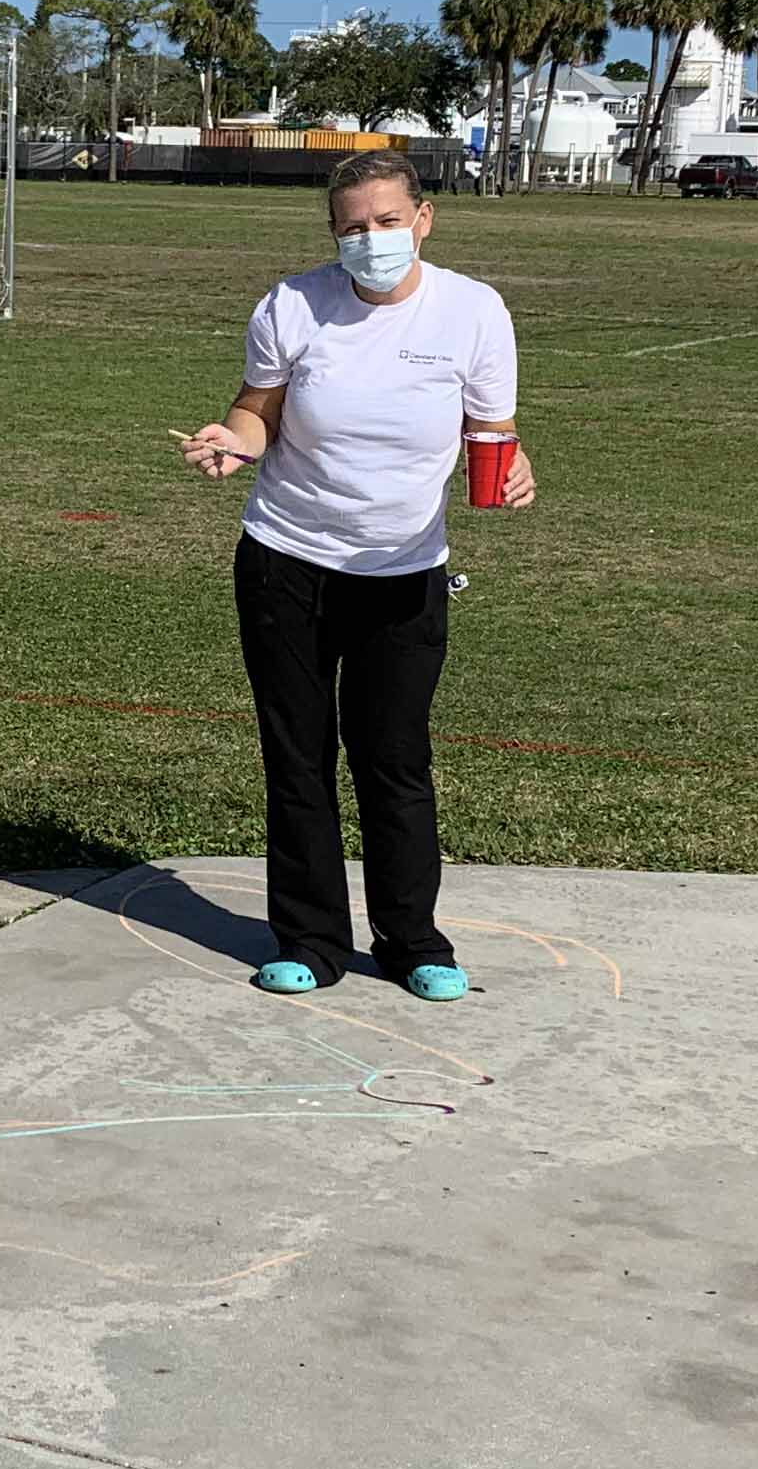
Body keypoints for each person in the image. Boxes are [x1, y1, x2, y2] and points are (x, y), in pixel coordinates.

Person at [177, 148, 534, 1002]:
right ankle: (308, 940)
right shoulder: (293, 304)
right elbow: (257, 411)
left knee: (395, 756)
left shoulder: (474, 312)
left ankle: (415, 942)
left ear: (423, 220)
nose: (370, 240)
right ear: (332, 235)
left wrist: (517, 470)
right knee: (297, 756)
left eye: (385, 222)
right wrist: (232, 443)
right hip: (287, 560)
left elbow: (495, 431)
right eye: (351, 228)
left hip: (404, 571)